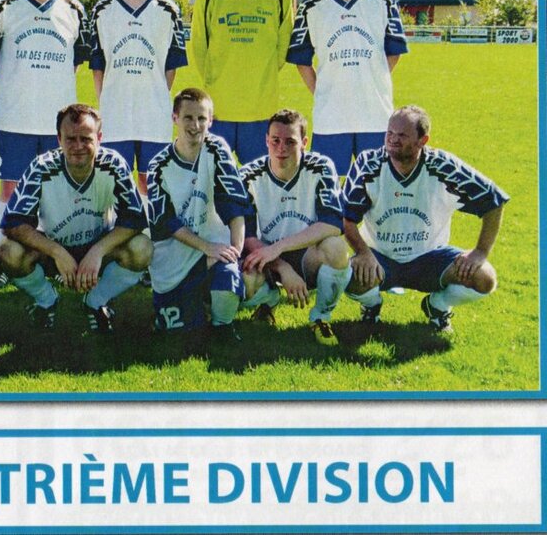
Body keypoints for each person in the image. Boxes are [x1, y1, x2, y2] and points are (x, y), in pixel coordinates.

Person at [342, 105, 508, 333]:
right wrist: (363, 252)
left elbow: (494, 200)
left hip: (431, 259)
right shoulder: (369, 164)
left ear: (423, 140)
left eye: (402, 135)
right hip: (380, 257)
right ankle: (372, 305)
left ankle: (437, 306)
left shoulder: (444, 167)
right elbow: (346, 217)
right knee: (347, 275)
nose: (393, 140)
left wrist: (480, 251)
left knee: (484, 278)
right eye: (390, 133)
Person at [0, 104, 152, 333]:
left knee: (143, 248)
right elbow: (14, 224)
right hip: (53, 250)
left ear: (99, 138)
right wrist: (57, 252)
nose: (78, 146)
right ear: (59, 139)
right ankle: (46, 300)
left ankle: (96, 302)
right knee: (9, 251)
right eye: (70, 139)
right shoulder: (41, 167)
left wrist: (97, 251)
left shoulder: (113, 164)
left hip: (99, 248)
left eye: (86, 139)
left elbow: (135, 219)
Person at [287, 0, 409, 175]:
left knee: (377, 186)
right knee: (329, 188)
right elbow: (302, 61)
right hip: (331, 120)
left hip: (375, 116)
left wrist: (370, 79)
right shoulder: (310, 6)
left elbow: (393, 52)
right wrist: (323, 93)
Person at [0, 0, 90, 228]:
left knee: (57, 190)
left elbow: (76, 62)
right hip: (15, 120)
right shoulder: (3, 10)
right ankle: (4, 247)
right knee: (11, 190)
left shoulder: (74, 11)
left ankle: (52, 250)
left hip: (58, 123)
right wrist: (19, 77)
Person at [238, 109, 352, 345]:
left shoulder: (321, 167)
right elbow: (245, 236)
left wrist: (279, 248)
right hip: (265, 258)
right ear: (266, 140)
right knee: (245, 281)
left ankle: (320, 317)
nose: (281, 148)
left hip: (306, 255)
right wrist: (282, 266)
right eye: (275, 140)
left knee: (337, 248)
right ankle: (268, 302)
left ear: (304, 142)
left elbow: (332, 224)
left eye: (290, 141)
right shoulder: (248, 175)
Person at [145, 88, 252, 338]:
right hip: (176, 254)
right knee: (175, 330)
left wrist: (234, 253)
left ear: (211, 120)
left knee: (230, 277)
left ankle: (222, 326)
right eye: (188, 118)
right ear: (175, 118)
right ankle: (192, 297)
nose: (195, 126)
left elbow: (234, 203)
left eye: (202, 118)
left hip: (214, 246)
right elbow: (167, 224)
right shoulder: (158, 166)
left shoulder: (217, 149)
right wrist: (206, 248)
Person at [187, 0, 293, 163]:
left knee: (258, 181)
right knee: (215, 181)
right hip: (218, 112)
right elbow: (199, 48)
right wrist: (218, 83)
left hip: (261, 113)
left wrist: (259, 77)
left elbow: (282, 48)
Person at [89, 0, 187, 195]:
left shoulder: (168, 10)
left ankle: (148, 222)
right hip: (115, 112)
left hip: (153, 114)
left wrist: (156, 95)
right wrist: (105, 102)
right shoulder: (102, 11)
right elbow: (98, 66)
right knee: (113, 180)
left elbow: (171, 66)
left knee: (150, 180)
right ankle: (117, 223)